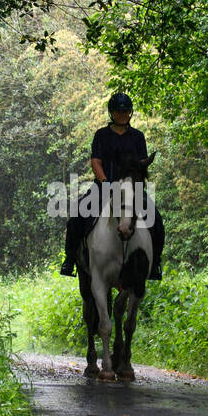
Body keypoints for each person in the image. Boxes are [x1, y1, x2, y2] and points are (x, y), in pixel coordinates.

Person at [60, 92, 165, 279]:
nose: (122, 115)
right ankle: (70, 260)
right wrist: (105, 182)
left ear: (130, 113)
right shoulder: (101, 135)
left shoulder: (137, 137)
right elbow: (96, 161)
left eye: (126, 111)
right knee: (77, 215)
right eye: (118, 111)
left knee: (156, 219)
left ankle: (155, 263)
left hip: (132, 189)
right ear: (111, 113)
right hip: (104, 186)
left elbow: (142, 164)